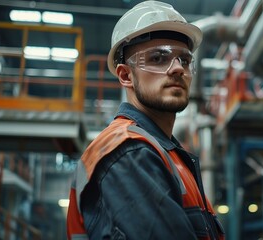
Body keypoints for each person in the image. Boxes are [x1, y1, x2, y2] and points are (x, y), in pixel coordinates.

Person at [66, 1, 225, 239]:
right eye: (158, 58)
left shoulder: (167, 154)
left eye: (184, 60)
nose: (177, 69)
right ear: (126, 75)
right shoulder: (128, 152)